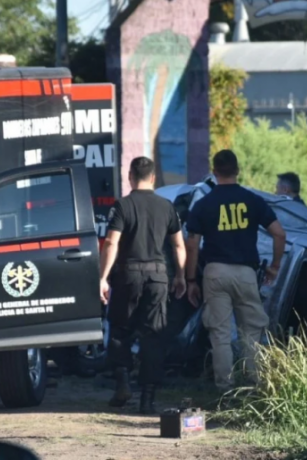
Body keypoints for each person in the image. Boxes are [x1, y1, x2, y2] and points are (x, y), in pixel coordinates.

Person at [185, 149, 287, 393]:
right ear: (237, 170)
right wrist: (274, 266)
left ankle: (226, 390)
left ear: (215, 171)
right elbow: (279, 234)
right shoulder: (252, 201)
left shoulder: (203, 204)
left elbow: (192, 244)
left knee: (219, 334)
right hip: (245, 273)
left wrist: (190, 280)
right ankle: (254, 387)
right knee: (251, 332)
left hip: (215, 272)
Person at [99, 156, 187, 414]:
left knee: (119, 330)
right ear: (153, 178)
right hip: (159, 278)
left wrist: (103, 278)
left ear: (130, 177)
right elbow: (178, 245)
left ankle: (123, 383)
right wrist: (181, 276)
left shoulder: (122, 206)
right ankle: (147, 399)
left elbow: (112, 243)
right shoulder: (167, 207)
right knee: (154, 336)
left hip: (128, 276)